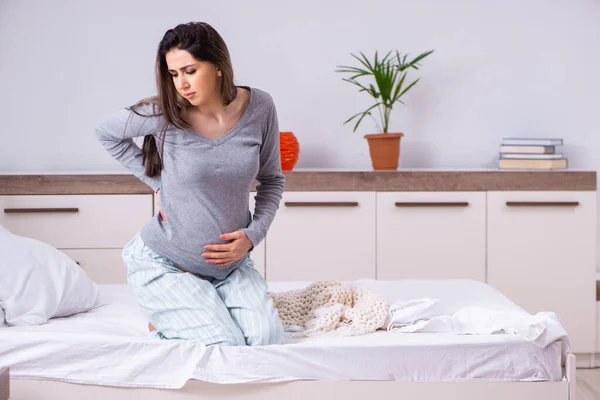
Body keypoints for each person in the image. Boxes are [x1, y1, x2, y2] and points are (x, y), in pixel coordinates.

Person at [94, 21, 285, 346]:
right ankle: (168, 312)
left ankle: (200, 304)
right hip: (168, 263)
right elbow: (106, 132)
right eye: (173, 74)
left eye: (190, 70)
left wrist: (252, 237)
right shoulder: (163, 113)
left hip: (231, 268)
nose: (181, 83)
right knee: (226, 345)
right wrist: (159, 182)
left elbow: (272, 180)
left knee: (267, 339)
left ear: (218, 66)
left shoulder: (260, 107)